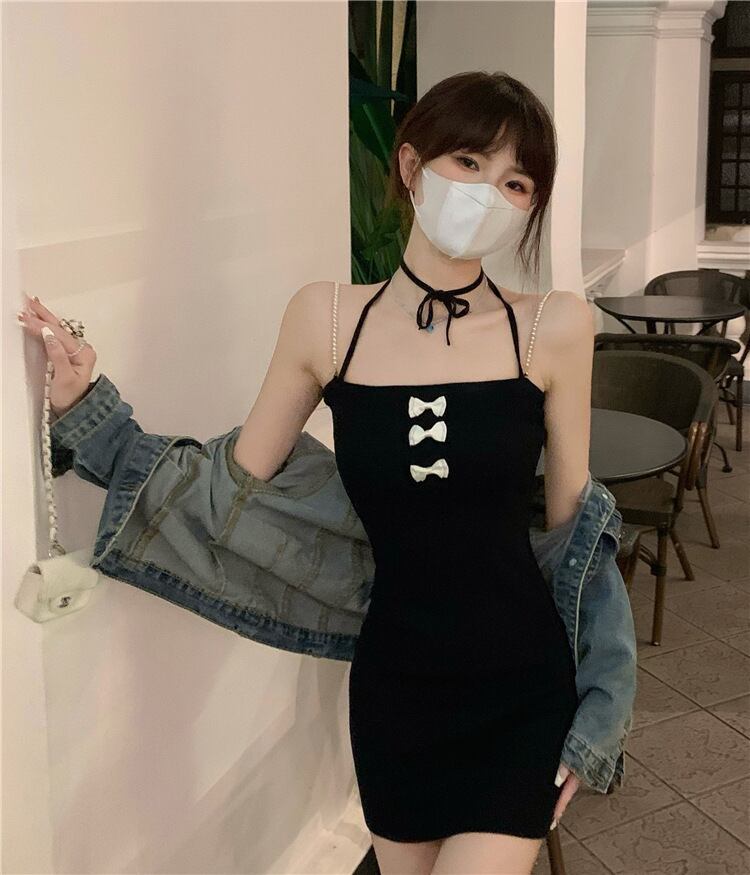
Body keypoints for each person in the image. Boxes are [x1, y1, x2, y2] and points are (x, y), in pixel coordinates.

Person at [18, 70, 596, 875]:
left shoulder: (555, 327)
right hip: (395, 691)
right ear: (410, 164)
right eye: (469, 162)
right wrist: (93, 414)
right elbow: (228, 495)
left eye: (516, 181)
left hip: (519, 683)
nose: (488, 193)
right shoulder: (325, 320)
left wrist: (602, 705)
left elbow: (580, 543)